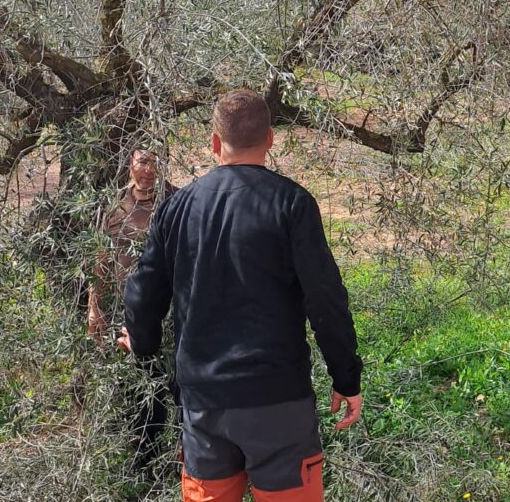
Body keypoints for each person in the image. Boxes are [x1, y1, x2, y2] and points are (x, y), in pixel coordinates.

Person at [119, 89, 364, 502]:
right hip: (277, 402)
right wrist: (346, 376)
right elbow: (325, 299)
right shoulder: (293, 204)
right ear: (270, 139)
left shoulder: (175, 209)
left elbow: (142, 293)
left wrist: (141, 343)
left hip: (203, 407)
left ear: (215, 143)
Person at [90, 148, 178, 473]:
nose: (149, 170)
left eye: (156, 162)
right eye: (143, 161)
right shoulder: (115, 205)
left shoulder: (175, 201)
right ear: (130, 163)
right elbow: (100, 257)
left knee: (171, 388)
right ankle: (142, 463)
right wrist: (93, 306)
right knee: (135, 391)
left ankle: (176, 461)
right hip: (126, 318)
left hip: (167, 317)